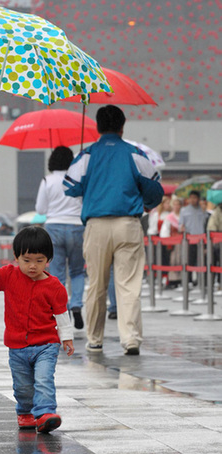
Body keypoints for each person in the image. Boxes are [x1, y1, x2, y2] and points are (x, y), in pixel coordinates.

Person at [63, 105, 164, 355]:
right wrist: (147, 204)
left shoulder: (87, 155)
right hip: (127, 225)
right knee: (128, 285)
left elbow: (70, 186)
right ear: (123, 126)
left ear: (97, 127)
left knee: (96, 284)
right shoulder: (135, 154)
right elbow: (155, 188)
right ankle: (130, 339)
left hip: (96, 226)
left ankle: (95, 338)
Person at [0, 226, 74, 433]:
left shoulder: (55, 286)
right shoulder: (9, 276)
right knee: (22, 387)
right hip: (17, 346)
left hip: (46, 345)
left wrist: (66, 338)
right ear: (16, 256)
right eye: (27, 260)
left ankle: (46, 413)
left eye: (39, 260)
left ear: (48, 259)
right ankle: (25, 412)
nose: (32, 266)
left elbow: (62, 314)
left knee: (43, 379)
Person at [35, 146, 85, 330]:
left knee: (57, 274)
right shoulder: (78, 179)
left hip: (54, 227)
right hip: (77, 227)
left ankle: (60, 311)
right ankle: (77, 304)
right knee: (78, 271)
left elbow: (40, 209)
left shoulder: (47, 180)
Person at [179, 190, 209, 284]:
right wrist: (182, 228)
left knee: (202, 261)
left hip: (201, 239)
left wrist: (204, 211)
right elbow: (180, 225)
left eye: (195, 198)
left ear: (198, 199)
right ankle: (189, 281)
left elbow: (206, 223)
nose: (192, 200)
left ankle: (202, 281)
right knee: (189, 260)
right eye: (191, 197)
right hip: (189, 239)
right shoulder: (184, 210)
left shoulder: (203, 210)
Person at [160, 197, 183, 288]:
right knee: (174, 260)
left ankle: (183, 279)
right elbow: (165, 230)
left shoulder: (183, 215)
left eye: (178, 204)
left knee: (183, 260)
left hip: (183, 241)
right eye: (175, 204)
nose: (176, 206)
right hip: (173, 242)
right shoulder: (169, 217)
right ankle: (173, 280)